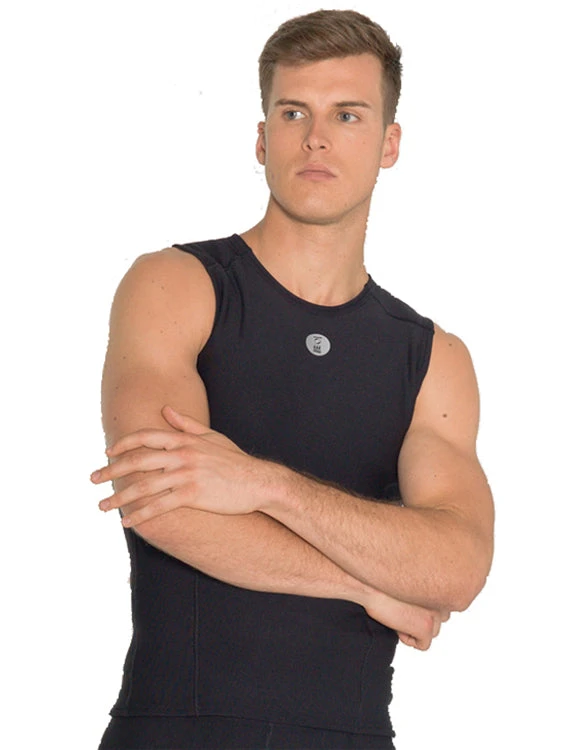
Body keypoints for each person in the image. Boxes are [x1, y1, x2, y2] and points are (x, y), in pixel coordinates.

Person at [92, 9, 494, 749]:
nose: (316, 137)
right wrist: (369, 584)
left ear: (389, 143)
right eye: (293, 112)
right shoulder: (179, 284)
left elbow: (457, 567)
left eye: (347, 114)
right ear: (262, 137)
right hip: (177, 731)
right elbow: (160, 504)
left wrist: (265, 485)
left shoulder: (431, 356)